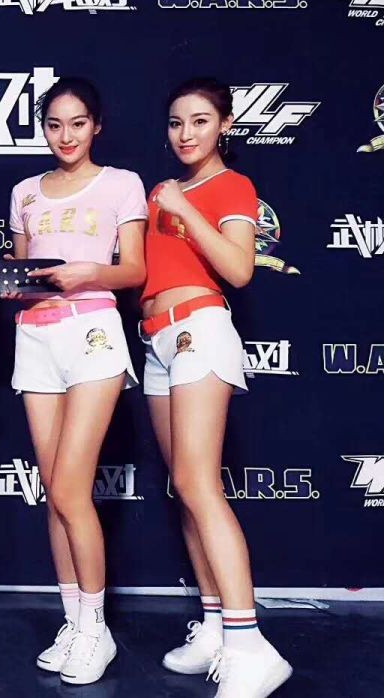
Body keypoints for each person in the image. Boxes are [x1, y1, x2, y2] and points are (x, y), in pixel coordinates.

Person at [143, 77, 292, 698]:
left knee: (200, 485)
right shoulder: (161, 192)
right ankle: (214, 628)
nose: (186, 133)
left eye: (200, 121)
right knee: (185, 488)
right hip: (155, 340)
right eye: (176, 122)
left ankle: (251, 644)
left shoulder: (232, 186)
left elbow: (238, 269)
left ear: (225, 125)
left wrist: (183, 210)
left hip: (200, 330)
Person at [4, 77, 146, 685]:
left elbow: (134, 269)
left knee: (69, 488)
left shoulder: (122, 183)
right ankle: (74, 622)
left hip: (92, 333)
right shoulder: (24, 191)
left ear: (97, 126)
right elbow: (21, 274)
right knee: (53, 492)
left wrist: (90, 272)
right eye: (55, 124)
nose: (66, 135)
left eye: (78, 123)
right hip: (35, 336)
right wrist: (3, 275)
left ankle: (96, 628)